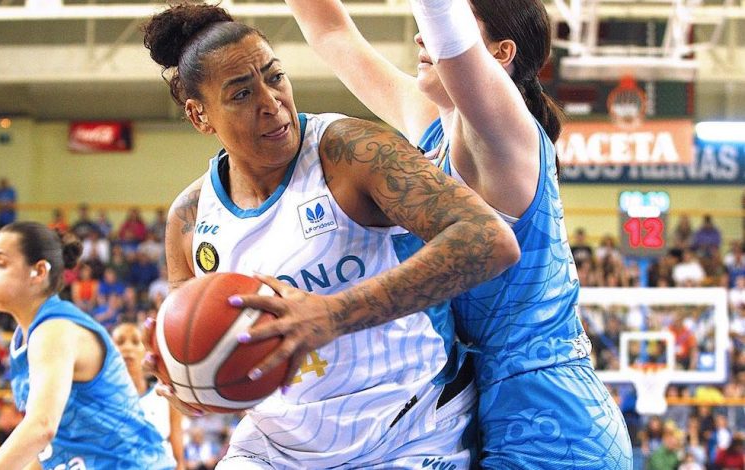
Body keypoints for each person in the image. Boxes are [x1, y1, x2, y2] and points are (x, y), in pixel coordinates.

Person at [142, 3, 519, 469]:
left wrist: (333, 314)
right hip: (277, 448)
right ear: (200, 116)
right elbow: (194, 355)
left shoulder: (350, 150)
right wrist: (183, 378)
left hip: (409, 431)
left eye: (275, 77)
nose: (271, 102)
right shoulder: (190, 217)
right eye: (241, 94)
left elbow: (489, 239)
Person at [279, 0, 632, 467]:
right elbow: (331, 33)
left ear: (502, 53)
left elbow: (442, 20)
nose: (419, 36)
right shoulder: (433, 128)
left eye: (446, 27)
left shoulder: (506, 133)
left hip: (554, 420)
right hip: (484, 411)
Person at [0, 221, 175, 470]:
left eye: (0, 263)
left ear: (39, 271)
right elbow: (51, 446)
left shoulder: (55, 330)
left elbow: (41, 427)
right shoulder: (25, 337)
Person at [112, 322, 185, 470]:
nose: (127, 347)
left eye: (135, 342)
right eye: (120, 342)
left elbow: (178, 459)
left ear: (145, 351)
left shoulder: (165, 395)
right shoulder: (100, 399)